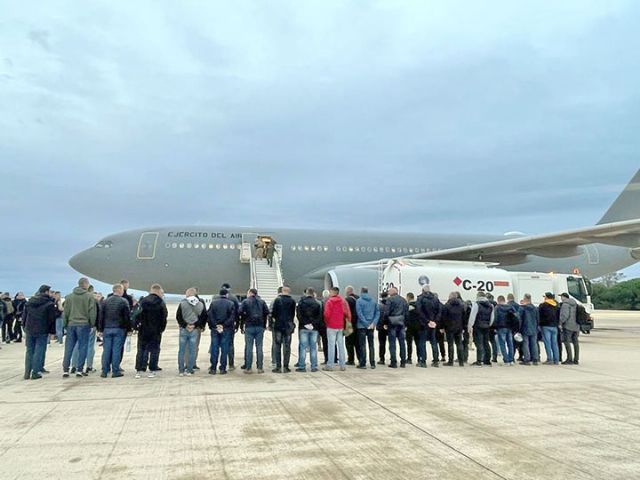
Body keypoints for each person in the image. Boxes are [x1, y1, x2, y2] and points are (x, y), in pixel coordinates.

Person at [62, 278, 97, 378]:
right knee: (83, 347)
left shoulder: (69, 297)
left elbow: (65, 312)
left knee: (69, 347)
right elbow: (92, 312)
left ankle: (65, 369)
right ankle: (79, 369)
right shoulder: (89, 297)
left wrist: (65, 324)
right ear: (85, 284)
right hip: (84, 324)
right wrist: (92, 324)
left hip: (71, 324)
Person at [134, 284, 168, 378]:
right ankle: (152, 369)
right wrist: (161, 329)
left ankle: (139, 369)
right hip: (155, 330)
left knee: (141, 349)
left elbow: (136, 315)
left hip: (143, 330)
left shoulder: (143, 301)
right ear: (158, 291)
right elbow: (164, 316)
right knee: (154, 350)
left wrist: (136, 327)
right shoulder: (160, 302)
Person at [23, 285, 56, 380]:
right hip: (42, 329)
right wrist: (52, 332)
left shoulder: (29, 302)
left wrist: (24, 326)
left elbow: (25, 316)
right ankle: (35, 372)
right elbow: (51, 319)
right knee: (39, 350)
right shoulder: (49, 303)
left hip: (29, 328)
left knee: (29, 350)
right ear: (46, 292)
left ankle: (27, 372)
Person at [97, 284, 131, 378]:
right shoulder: (124, 301)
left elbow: (101, 316)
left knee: (106, 350)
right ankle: (115, 371)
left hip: (107, 328)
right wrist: (129, 329)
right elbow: (127, 317)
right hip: (119, 328)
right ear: (120, 290)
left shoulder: (105, 301)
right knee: (116, 350)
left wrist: (100, 329)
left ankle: (104, 370)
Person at [239, 288, 269, 374]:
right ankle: (260, 367)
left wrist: (245, 316)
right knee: (259, 347)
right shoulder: (262, 301)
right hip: (260, 326)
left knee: (249, 347)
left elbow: (239, 312)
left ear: (250, 293)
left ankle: (248, 368)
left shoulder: (245, 301)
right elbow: (266, 312)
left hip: (249, 326)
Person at [176, 287, 205, 376]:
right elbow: (203, 317)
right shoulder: (200, 304)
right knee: (193, 350)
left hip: (184, 329)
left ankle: (181, 370)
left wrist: (186, 325)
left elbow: (178, 317)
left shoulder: (182, 303)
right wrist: (194, 325)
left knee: (182, 350)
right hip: (194, 330)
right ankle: (190, 369)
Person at [207, 289, 236, 375]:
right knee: (224, 349)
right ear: (227, 295)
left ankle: (213, 368)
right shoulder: (231, 303)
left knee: (214, 348)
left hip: (215, 329)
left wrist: (216, 325)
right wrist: (224, 325)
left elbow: (210, 315)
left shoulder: (213, 303)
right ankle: (222, 368)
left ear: (219, 294)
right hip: (226, 329)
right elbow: (232, 317)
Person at [270, 286, 296, 373]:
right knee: (287, 346)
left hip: (278, 325)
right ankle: (286, 366)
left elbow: (273, 313)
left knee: (277, 345)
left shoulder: (277, 300)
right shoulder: (292, 301)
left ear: (282, 291)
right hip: (288, 326)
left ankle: (278, 366)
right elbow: (293, 314)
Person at [295, 288, 322, 372]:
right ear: (313, 293)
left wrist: (306, 324)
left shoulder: (301, 302)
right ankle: (314, 366)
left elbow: (299, 315)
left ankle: (302, 366)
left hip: (303, 327)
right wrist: (312, 324)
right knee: (313, 347)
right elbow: (319, 316)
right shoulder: (317, 303)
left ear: (306, 293)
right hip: (314, 328)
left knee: (303, 347)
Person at [323, 287, 349, 371]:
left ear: (332, 292)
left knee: (331, 345)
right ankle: (342, 365)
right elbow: (347, 312)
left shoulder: (329, 301)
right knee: (341, 345)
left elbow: (326, 314)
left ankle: (330, 364)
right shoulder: (343, 301)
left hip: (331, 325)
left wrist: (327, 322)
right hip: (340, 325)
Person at [416, 285, 441, 367]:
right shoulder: (435, 299)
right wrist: (435, 321)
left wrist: (427, 321)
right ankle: (436, 361)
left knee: (422, 342)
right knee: (434, 342)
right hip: (433, 324)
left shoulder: (420, 299)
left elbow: (419, 311)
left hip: (424, 324)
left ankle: (423, 361)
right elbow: (439, 311)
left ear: (422, 290)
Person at [355, 287, 379, 369]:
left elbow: (359, 313)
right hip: (371, 325)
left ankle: (363, 363)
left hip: (362, 326)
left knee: (362, 345)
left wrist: (365, 323)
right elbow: (377, 313)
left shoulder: (359, 301)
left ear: (361, 291)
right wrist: (373, 323)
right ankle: (372, 363)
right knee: (371, 345)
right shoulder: (373, 301)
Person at [469, 292, 495, 367]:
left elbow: (472, 317)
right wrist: (489, 325)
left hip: (478, 326)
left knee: (479, 343)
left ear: (478, 296)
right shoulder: (491, 305)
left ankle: (479, 361)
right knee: (486, 343)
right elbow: (492, 317)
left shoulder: (476, 304)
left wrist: (470, 326)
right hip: (486, 326)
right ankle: (487, 360)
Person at [385, 287, 408, 368]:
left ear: (392, 292)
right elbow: (406, 312)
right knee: (402, 343)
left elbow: (386, 312)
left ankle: (393, 362)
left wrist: (385, 322)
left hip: (392, 323)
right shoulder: (403, 300)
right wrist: (406, 323)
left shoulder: (390, 300)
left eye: (389, 291)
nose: (388, 292)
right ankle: (403, 362)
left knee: (392, 343)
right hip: (401, 323)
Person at [440, 291, 465, 367]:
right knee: (459, 344)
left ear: (450, 297)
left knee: (450, 344)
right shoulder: (461, 305)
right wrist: (463, 327)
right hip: (459, 327)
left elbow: (443, 317)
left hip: (449, 327)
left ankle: (450, 361)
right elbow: (464, 317)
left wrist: (442, 327)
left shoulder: (447, 305)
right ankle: (461, 361)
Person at [494, 295, 517, 366]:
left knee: (502, 344)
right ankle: (511, 360)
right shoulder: (510, 307)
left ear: (498, 300)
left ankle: (506, 360)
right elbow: (515, 317)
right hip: (509, 327)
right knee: (510, 344)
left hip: (501, 327)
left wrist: (495, 327)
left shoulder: (497, 308)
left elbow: (496, 318)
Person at [221, 283, 240, 370]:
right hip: (230, 325)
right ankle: (231, 364)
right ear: (230, 289)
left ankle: (215, 366)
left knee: (217, 344)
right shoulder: (234, 298)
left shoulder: (215, 298)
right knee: (230, 344)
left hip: (218, 326)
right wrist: (237, 324)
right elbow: (237, 312)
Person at [539, 292, 560, 364]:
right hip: (554, 326)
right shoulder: (557, 305)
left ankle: (549, 359)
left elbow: (540, 315)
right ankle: (556, 359)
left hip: (545, 326)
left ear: (546, 297)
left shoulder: (543, 305)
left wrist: (539, 324)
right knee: (555, 343)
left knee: (547, 343)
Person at [559, 293, 580, 365]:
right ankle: (576, 359)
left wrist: (560, 323)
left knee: (567, 342)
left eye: (561, 297)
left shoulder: (565, 305)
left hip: (568, 326)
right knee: (575, 343)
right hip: (576, 325)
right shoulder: (575, 304)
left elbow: (564, 315)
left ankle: (569, 359)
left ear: (564, 297)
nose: (561, 298)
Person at [519, 294, 539, 366]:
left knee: (525, 344)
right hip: (534, 328)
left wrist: (519, 328)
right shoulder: (535, 308)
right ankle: (535, 359)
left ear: (525, 299)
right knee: (534, 344)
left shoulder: (522, 308)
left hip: (525, 328)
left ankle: (527, 359)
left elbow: (519, 319)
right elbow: (537, 319)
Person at [343, 286, 360, 366]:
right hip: (358, 324)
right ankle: (360, 359)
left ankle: (351, 359)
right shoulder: (358, 298)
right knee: (358, 343)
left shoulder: (347, 300)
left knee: (349, 342)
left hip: (349, 324)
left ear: (347, 292)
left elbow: (345, 312)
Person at [404, 292, 420, 365]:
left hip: (410, 327)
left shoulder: (408, 306)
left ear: (408, 297)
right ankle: (419, 358)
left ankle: (409, 358)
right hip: (418, 327)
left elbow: (406, 317)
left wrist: (405, 325)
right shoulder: (419, 305)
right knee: (418, 343)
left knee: (409, 343)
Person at [507, 293, 523, 361]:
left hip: (511, 326)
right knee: (519, 342)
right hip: (518, 326)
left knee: (511, 343)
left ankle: (511, 357)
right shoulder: (518, 305)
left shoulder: (507, 306)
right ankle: (520, 356)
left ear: (508, 298)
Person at [376, 291, 389, 365]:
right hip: (389, 325)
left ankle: (382, 358)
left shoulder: (379, 305)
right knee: (391, 342)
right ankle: (392, 358)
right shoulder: (390, 304)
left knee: (382, 343)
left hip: (381, 326)